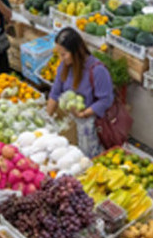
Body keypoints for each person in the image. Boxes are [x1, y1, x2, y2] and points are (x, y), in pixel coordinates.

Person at [46, 27, 114, 157]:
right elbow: (55, 93)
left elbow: (106, 100)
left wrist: (83, 114)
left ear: (76, 52)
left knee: (86, 159)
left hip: (90, 126)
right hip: (71, 121)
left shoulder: (97, 71)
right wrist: (47, 120)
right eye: (59, 54)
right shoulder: (64, 67)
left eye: (64, 54)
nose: (61, 58)